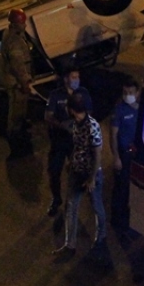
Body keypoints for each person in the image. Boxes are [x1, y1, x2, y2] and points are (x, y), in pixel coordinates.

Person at [54, 92, 107, 255]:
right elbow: (78, 147)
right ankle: (70, 245)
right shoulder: (76, 124)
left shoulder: (92, 127)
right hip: (76, 172)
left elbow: (97, 154)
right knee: (71, 206)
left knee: (97, 207)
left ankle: (101, 239)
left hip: (90, 175)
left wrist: (92, 178)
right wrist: (72, 161)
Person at [44, 68, 91, 217]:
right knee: (54, 172)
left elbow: (89, 113)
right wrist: (62, 125)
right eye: (73, 77)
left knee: (76, 172)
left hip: (76, 142)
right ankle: (56, 199)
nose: (77, 80)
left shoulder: (83, 93)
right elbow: (48, 116)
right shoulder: (55, 95)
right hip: (59, 141)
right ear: (66, 79)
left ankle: (72, 202)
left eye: (78, 77)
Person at [2, 8, 34, 155]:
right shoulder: (14, 41)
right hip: (17, 84)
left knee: (19, 111)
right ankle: (16, 143)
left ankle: (19, 135)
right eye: (22, 23)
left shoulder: (9, 34)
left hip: (14, 81)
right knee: (16, 113)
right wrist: (24, 83)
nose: (25, 25)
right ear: (15, 24)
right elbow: (18, 66)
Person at [108, 79, 138, 233]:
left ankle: (127, 218)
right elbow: (113, 135)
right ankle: (116, 220)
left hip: (135, 154)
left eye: (131, 92)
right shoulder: (119, 110)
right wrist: (116, 157)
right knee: (121, 188)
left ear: (137, 93)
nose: (128, 95)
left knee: (131, 188)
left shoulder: (140, 108)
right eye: (125, 93)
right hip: (123, 154)